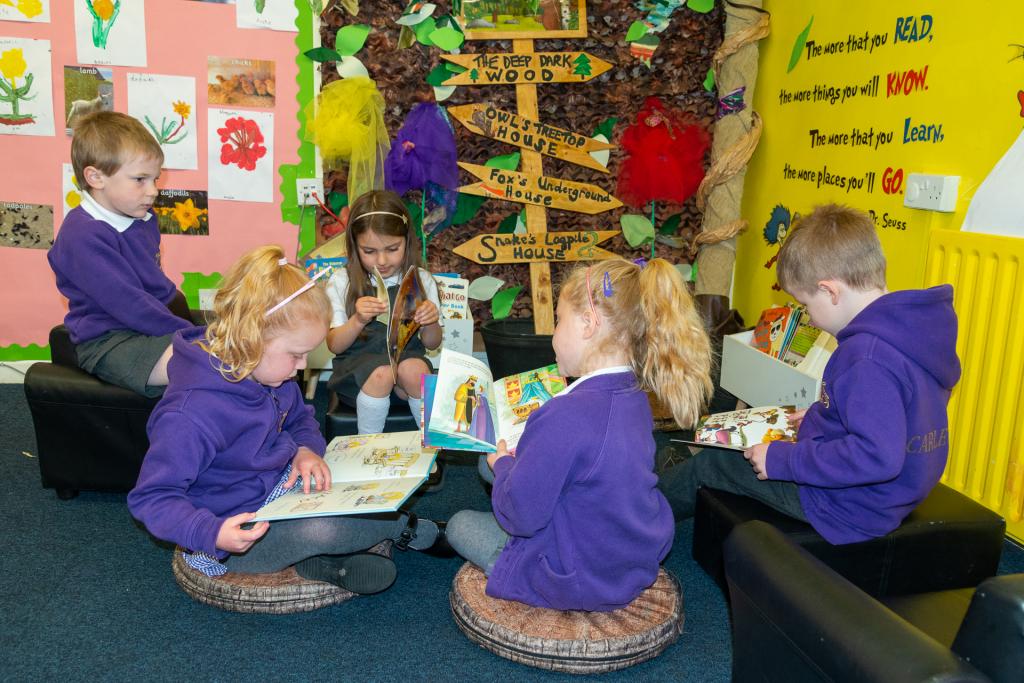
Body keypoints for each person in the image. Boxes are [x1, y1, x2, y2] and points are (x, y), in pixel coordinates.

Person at [128, 246, 444, 595]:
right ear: (251, 338)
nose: (301, 366)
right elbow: (151, 497)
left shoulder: (268, 373)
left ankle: (320, 565)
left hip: (281, 491)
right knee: (326, 530)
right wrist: (212, 533)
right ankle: (403, 529)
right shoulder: (189, 416)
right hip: (237, 534)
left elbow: (300, 419)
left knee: (360, 484)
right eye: (296, 355)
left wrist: (305, 451)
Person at [659, 203, 961, 544]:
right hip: (890, 496)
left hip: (848, 507)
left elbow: (876, 456)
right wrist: (822, 415)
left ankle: (632, 517)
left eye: (806, 305)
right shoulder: (910, 329)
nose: (809, 318)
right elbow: (892, 414)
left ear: (830, 291)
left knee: (713, 464)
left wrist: (783, 461)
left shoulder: (866, 358)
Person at [446, 258, 714, 611]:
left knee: (459, 525)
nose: (554, 333)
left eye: (558, 321)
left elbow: (521, 517)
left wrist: (507, 467)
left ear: (588, 324)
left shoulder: (564, 416)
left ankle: (532, 573)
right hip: (626, 547)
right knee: (493, 467)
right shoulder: (635, 395)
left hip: (577, 574)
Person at [47, 111, 192, 397]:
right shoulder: (83, 236)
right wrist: (191, 336)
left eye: (155, 179)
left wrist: (191, 324)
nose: (153, 191)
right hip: (109, 343)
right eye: (140, 179)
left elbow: (155, 284)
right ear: (96, 177)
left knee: (222, 353)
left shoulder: (140, 218)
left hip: (144, 327)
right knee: (202, 363)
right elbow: (130, 304)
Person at [325, 190, 443, 434]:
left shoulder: (421, 280)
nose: (382, 260)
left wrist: (430, 323)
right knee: (381, 374)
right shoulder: (341, 281)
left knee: (416, 372)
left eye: (392, 248)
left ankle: (432, 446)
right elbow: (334, 345)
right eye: (369, 251)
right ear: (354, 246)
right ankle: (367, 448)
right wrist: (357, 320)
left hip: (406, 368)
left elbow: (432, 343)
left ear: (407, 241)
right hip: (358, 375)